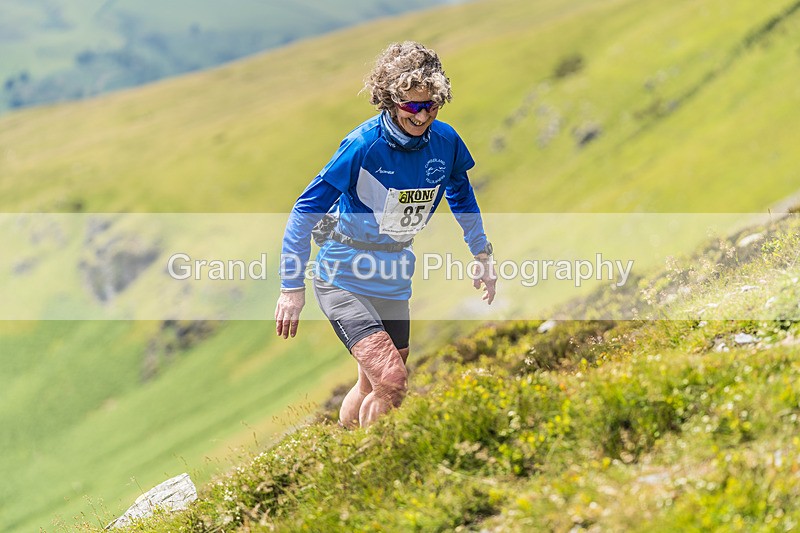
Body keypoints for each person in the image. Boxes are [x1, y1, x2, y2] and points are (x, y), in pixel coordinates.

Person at [275, 41, 496, 428]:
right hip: (343, 275)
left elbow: (462, 194)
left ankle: (342, 448)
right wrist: (291, 288)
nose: (422, 115)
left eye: (431, 105)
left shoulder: (446, 143)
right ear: (390, 100)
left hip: (393, 276)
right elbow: (305, 209)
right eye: (412, 105)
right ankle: (370, 463)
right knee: (392, 379)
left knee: (374, 383)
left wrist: (482, 254)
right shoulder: (361, 146)